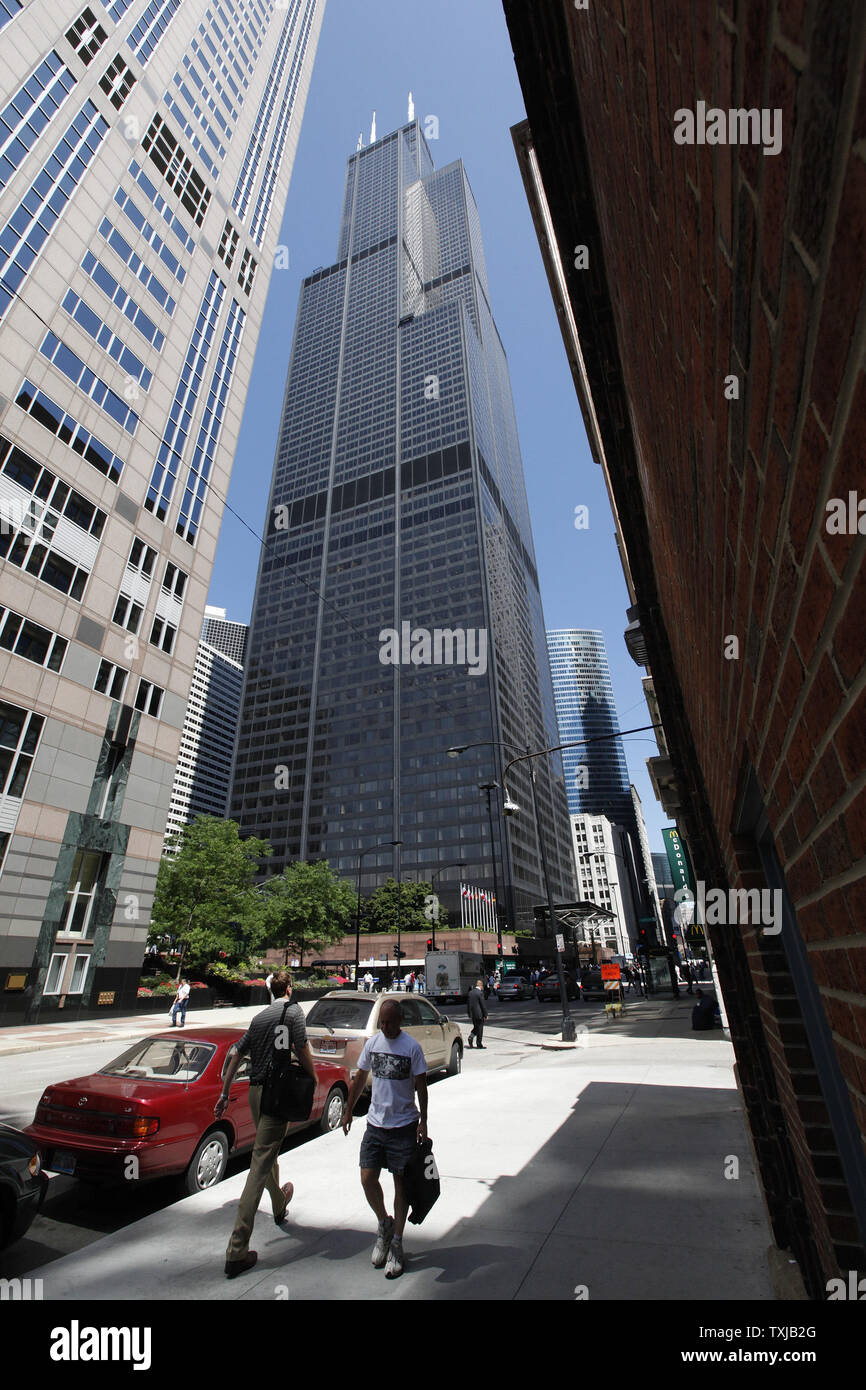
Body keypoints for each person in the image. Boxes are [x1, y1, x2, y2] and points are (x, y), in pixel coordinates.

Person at [217, 971, 317, 1278]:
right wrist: (312, 1077)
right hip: (277, 1095)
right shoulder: (294, 1013)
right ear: (289, 989)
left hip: (254, 1092)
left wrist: (224, 1092)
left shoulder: (259, 1018)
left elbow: (236, 1052)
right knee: (260, 1162)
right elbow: (301, 1048)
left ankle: (278, 1203)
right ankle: (236, 1249)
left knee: (267, 1151)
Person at [342, 999, 427, 1280]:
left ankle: (398, 1243)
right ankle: (384, 1225)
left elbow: (421, 1086)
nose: (385, 1026)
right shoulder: (373, 1044)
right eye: (382, 1022)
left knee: (400, 1186)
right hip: (375, 1125)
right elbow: (360, 1077)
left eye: (390, 1022)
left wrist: (423, 1120)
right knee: (367, 1178)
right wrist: (348, 1110)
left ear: (400, 1021)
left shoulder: (412, 1047)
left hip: (403, 1125)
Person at [466, 978, 488, 1049]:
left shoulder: (470, 992)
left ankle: (471, 1037)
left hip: (473, 1014)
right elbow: (482, 1005)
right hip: (479, 1014)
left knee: (476, 1027)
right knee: (480, 1029)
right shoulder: (480, 993)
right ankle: (479, 1044)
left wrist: (469, 1013)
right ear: (481, 986)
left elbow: (468, 1004)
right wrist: (486, 1014)